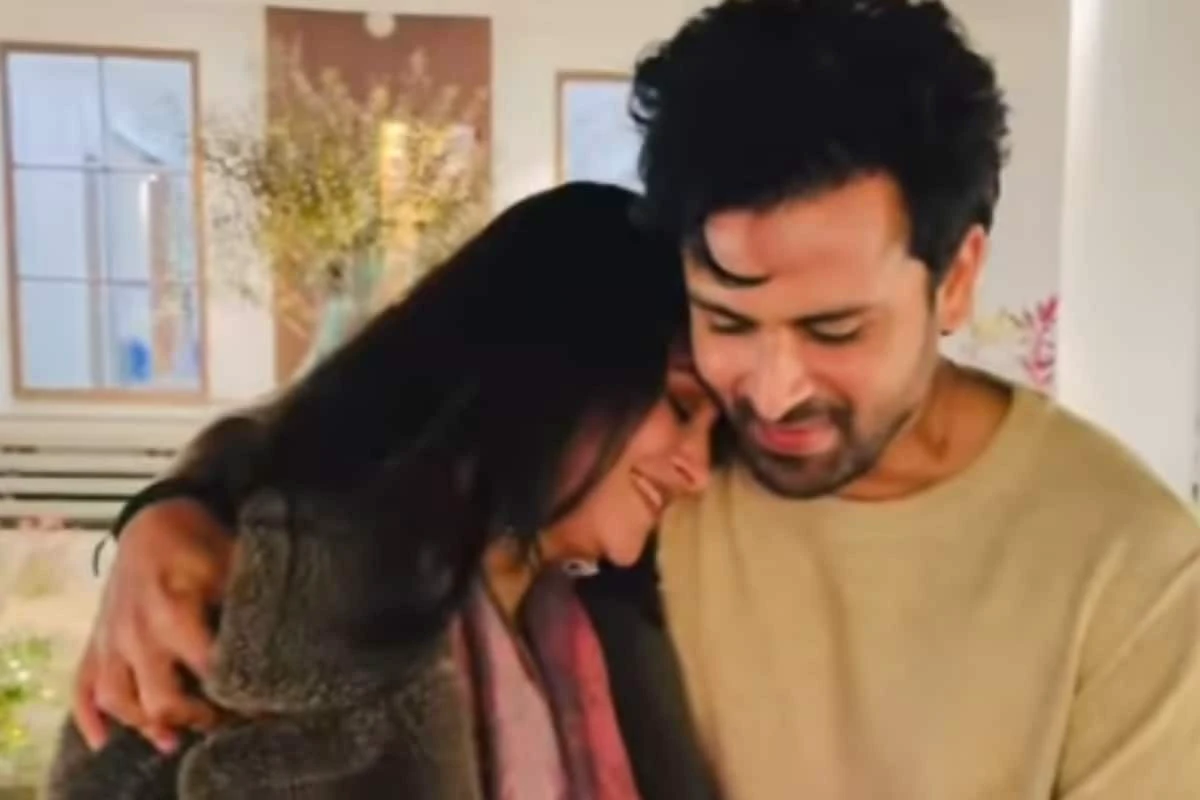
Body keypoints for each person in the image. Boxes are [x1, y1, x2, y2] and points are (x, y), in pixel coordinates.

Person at [74, 1, 1200, 798]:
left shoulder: (1130, 570)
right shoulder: (654, 488)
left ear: (956, 279)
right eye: (727, 321)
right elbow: (393, 431)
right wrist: (177, 508)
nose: (770, 393)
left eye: (835, 329)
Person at [52, 182, 719, 799]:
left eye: (717, 439)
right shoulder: (270, 591)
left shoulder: (605, 622)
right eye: (682, 407)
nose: (698, 468)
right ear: (560, 372)